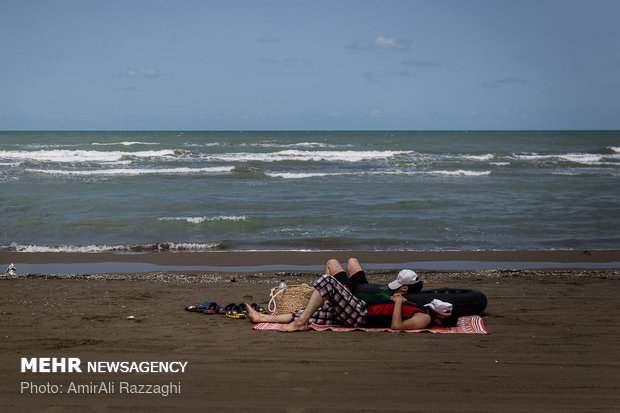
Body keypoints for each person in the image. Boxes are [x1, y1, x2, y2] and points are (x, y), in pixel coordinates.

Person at [245, 258, 453, 332]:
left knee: (327, 281)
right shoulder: (422, 310)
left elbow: (397, 326)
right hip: (357, 311)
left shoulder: (425, 318)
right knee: (306, 312)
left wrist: (398, 302)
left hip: (362, 315)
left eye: (442, 311)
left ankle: (300, 324)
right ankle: (262, 318)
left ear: (441, 320)